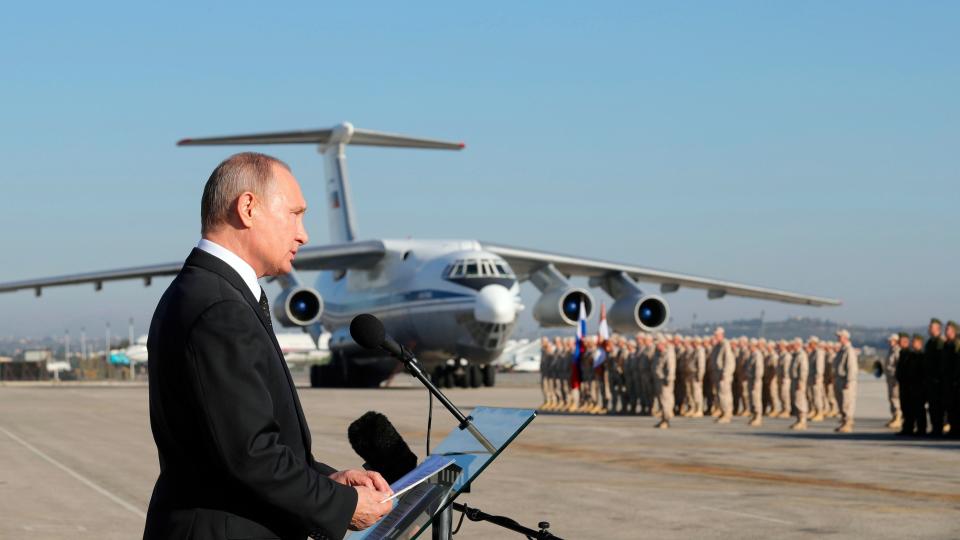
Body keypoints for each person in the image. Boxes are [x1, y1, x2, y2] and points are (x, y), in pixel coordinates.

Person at [143, 153, 392, 540]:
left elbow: (236, 444)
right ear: (247, 208)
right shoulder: (220, 307)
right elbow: (251, 455)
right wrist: (343, 505)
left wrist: (329, 480)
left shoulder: (209, 292)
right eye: (294, 214)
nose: (303, 234)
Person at [896, 333, 924, 436]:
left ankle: (921, 429)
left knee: (918, 408)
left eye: (914, 342)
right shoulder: (909, 354)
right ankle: (908, 427)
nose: (912, 344)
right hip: (907, 384)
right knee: (906, 407)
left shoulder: (920, 355)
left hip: (917, 385)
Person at [832, 329, 859, 433]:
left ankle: (848, 423)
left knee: (847, 403)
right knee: (841, 402)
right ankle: (844, 422)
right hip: (839, 379)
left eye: (840, 336)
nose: (838, 338)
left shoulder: (849, 350)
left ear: (845, 337)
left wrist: (849, 380)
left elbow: (852, 367)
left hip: (846, 380)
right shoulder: (842, 350)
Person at [924, 318, 946, 435]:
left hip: (938, 380)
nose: (929, 329)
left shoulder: (940, 342)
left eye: (931, 327)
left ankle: (939, 428)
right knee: (932, 406)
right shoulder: (930, 342)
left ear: (938, 329)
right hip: (930, 379)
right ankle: (935, 427)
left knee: (939, 406)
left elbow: (942, 362)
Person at [653, 336, 676, 429]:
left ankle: (666, 420)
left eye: (658, 344)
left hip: (665, 380)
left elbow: (671, 367)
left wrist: (669, 379)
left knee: (666, 400)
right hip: (660, 379)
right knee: (662, 400)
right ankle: (663, 419)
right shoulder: (659, 353)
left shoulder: (668, 353)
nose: (657, 346)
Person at [883, 333, 903, 429]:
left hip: (895, 379)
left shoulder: (897, 351)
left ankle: (898, 418)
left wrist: (897, 378)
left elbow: (899, 366)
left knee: (896, 398)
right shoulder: (891, 351)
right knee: (891, 398)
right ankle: (894, 416)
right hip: (890, 378)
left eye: (891, 340)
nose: (889, 342)